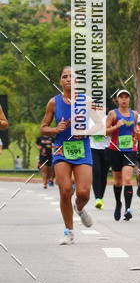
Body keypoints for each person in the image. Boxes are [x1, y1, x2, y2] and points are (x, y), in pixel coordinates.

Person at [40, 66, 93, 243]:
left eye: (72, 76)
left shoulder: (87, 101)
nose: (69, 79)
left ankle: (79, 208)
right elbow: (43, 128)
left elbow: (101, 126)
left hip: (82, 149)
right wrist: (56, 128)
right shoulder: (53, 102)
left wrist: (86, 131)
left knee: (84, 192)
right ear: (60, 81)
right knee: (65, 190)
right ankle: (69, 231)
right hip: (61, 148)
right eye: (65, 76)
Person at [105, 90, 138, 221]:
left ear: (129, 100)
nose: (124, 100)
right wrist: (116, 126)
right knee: (118, 182)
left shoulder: (134, 114)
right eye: (121, 97)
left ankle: (128, 209)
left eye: (126, 97)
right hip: (115, 150)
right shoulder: (113, 114)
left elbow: (135, 131)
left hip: (130, 149)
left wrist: (136, 133)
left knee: (128, 179)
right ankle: (118, 203)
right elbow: (104, 132)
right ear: (117, 100)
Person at [91, 125, 111, 208]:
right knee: (96, 172)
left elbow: (113, 131)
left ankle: (101, 197)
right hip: (93, 148)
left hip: (106, 148)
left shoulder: (108, 118)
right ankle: (97, 198)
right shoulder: (90, 119)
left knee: (103, 174)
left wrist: (105, 131)